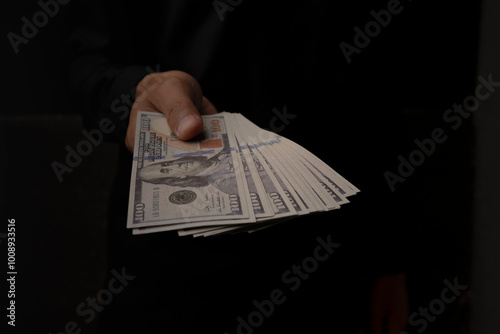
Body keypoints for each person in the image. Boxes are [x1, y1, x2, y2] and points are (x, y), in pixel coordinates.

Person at [65, 0, 412, 333]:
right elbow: (86, 63)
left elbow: (375, 92)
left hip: (322, 255)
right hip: (173, 258)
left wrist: (387, 261)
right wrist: (140, 89)